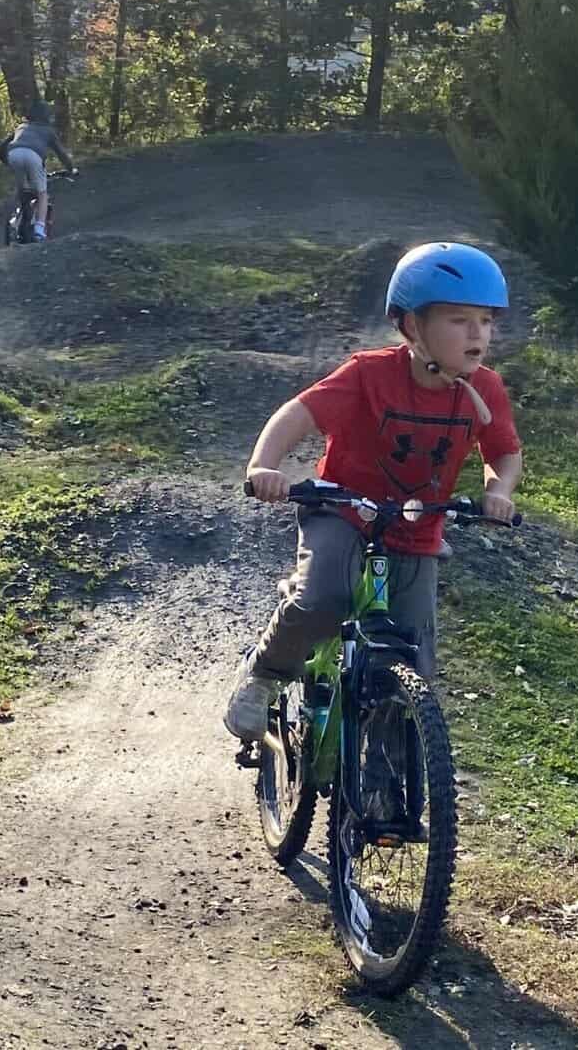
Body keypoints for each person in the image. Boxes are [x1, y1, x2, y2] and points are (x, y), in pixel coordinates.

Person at [223, 242, 525, 816]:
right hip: (343, 510)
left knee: (411, 661)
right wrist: (266, 466)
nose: (477, 333)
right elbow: (297, 415)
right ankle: (263, 674)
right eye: (459, 319)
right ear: (412, 324)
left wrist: (497, 492)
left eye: (485, 321)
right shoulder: (369, 375)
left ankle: (385, 786)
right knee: (325, 598)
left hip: (417, 530)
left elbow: (504, 454)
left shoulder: (484, 389)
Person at [0, 101, 77, 242]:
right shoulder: (48, 131)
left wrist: (8, 163)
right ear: (47, 116)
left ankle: (16, 222)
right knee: (42, 194)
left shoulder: (21, 127)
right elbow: (61, 154)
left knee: (23, 191)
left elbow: (0, 148)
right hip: (33, 156)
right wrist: (72, 169)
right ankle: (39, 231)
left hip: (13, 154)